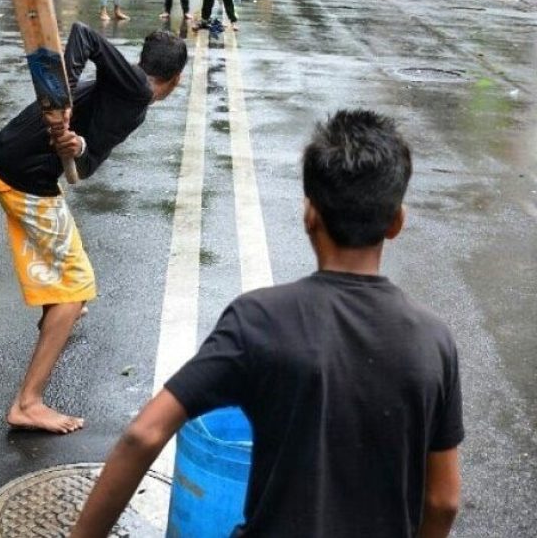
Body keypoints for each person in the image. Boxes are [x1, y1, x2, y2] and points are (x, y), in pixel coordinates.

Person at [71, 109, 464, 538]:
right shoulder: (433, 341)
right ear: (396, 223)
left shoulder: (259, 321)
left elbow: (145, 434)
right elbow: (442, 502)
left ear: (309, 214)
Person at [0, 22, 187, 434]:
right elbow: (84, 35)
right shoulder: (134, 88)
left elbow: (88, 163)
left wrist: (77, 145)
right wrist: (63, 102)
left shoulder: (133, 101)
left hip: (25, 167)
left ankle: (53, 323)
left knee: (71, 283)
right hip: (26, 176)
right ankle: (28, 403)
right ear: (176, 80)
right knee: (77, 291)